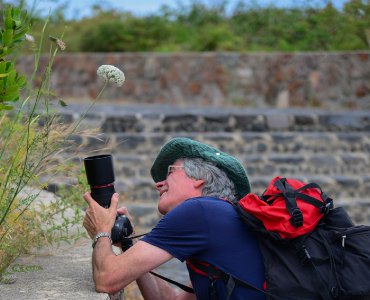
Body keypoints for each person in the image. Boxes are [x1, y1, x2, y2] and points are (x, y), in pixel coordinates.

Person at [83, 137, 265, 299]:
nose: (158, 184)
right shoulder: (220, 219)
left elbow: (106, 279)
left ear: (200, 179)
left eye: (170, 172)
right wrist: (128, 243)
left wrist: (102, 230)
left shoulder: (200, 210)